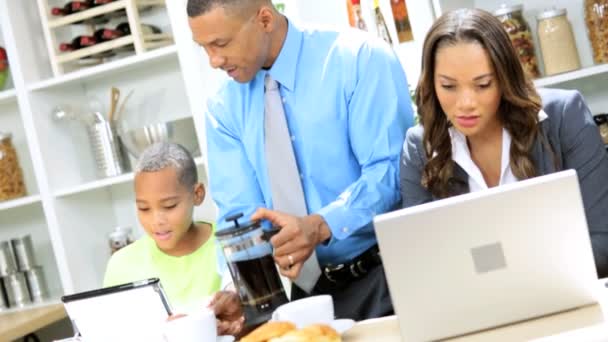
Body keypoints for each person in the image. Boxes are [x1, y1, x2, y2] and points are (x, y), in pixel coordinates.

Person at [187, 0, 413, 321]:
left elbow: (391, 171)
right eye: (203, 48)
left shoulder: (358, 58)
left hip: (388, 275)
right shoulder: (223, 107)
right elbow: (239, 217)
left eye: (221, 43)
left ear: (264, 19)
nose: (213, 60)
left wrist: (320, 225)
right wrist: (238, 290)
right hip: (307, 297)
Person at [400, 8, 608, 276]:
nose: (466, 103)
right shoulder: (420, 148)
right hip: (475, 311)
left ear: (504, 78)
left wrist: (510, 273)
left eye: (483, 84)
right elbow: (420, 267)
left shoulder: (563, 116)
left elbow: (603, 244)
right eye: (449, 86)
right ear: (431, 83)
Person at [103, 142, 243, 335]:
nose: (156, 221)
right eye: (144, 208)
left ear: (197, 194)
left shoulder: (232, 242)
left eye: (169, 206)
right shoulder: (121, 265)